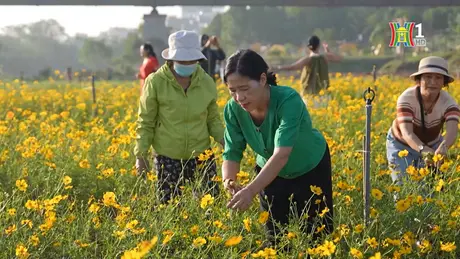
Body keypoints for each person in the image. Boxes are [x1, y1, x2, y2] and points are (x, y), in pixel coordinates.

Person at [221, 49, 333, 246]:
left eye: (245, 88)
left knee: (317, 236)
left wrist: (250, 190)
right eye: (233, 90)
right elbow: (232, 150)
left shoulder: (288, 99)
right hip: (270, 174)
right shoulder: (233, 109)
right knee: (275, 238)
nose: (239, 97)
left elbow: (282, 154)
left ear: (263, 79)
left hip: (310, 168)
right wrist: (229, 181)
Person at [134, 30, 225, 204]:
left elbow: (212, 118)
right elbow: (146, 121)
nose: (187, 64)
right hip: (167, 156)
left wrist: (224, 140)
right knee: (169, 208)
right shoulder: (156, 82)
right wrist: (141, 155)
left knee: (211, 206)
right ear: (171, 59)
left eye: (191, 60)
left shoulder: (206, 82)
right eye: (182, 60)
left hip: (201, 154)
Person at [386, 56, 459, 187]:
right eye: (428, 77)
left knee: (430, 189)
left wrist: (443, 147)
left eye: (438, 78)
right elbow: (407, 134)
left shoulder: (449, 103)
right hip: (401, 144)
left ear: (444, 82)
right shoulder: (406, 99)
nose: (433, 82)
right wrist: (423, 149)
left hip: (432, 145)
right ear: (419, 80)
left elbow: (452, 131)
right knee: (404, 187)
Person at [273, 35, 342, 107]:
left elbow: (292, 67)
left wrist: (278, 68)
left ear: (309, 47)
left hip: (310, 95)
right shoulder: (325, 57)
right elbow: (338, 59)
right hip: (323, 94)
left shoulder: (308, 59)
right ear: (319, 45)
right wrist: (327, 50)